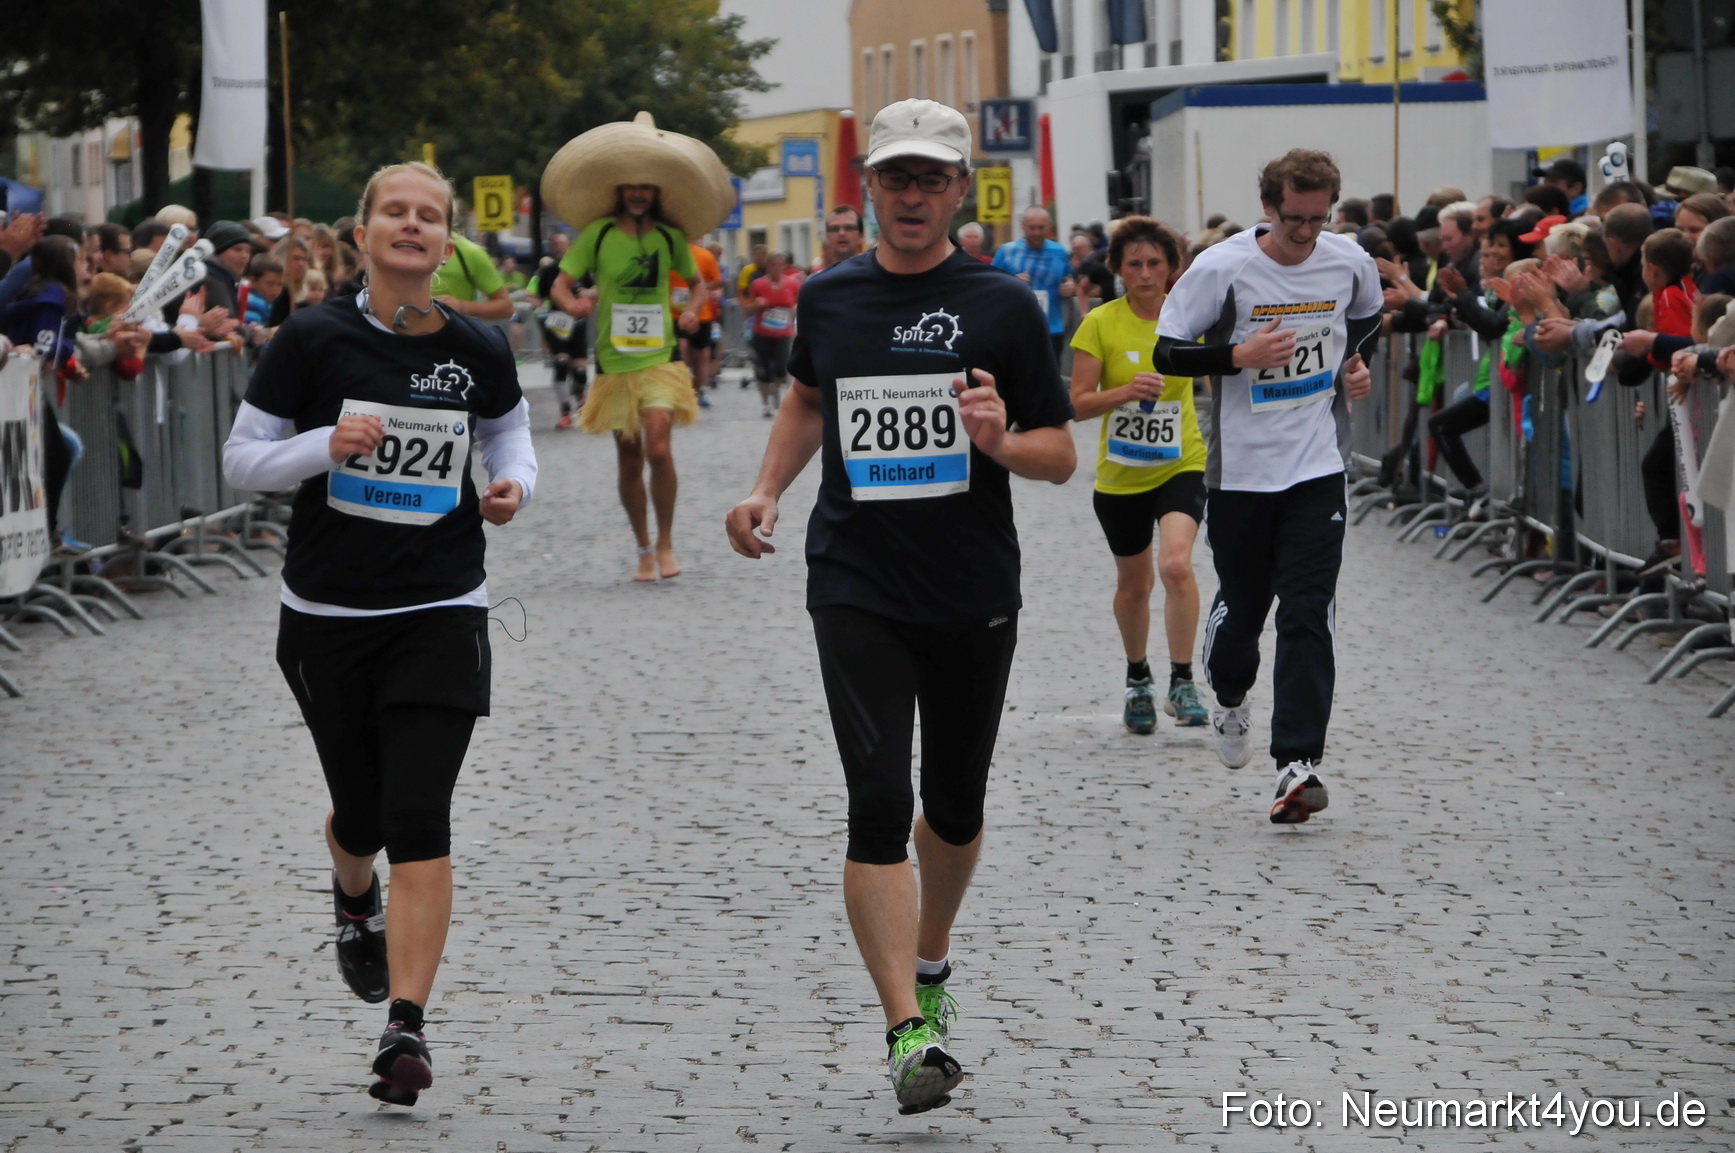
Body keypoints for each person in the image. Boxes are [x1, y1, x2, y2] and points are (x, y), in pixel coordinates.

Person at [724, 98, 1075, 1115]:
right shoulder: (829, 299)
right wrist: (764, 488)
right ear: (867, 189)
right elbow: (804, 397)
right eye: (893, 178)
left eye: (930, 179)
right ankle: (903, 1029)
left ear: (962, 189)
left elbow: (1057, 455)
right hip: (855, 580)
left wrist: (1002, 440)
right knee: (877, 799)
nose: (911, 196)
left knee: (953, 802)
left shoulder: (1003, 305)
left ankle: (931, 956)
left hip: (971, 587)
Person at [220, 161, 537, 1108]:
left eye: (428, 217)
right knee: (360, 815)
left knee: (418, 816)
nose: (412, 226)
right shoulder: (311, 338)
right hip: (327, 618)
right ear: (362, 234)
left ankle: (406, 1022)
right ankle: (350, 887)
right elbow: (242, 463)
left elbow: (508, 435)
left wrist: (516, 484)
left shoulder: (478, 346)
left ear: (447, 241)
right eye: (394, 212)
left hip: (443, 606)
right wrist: (328, 445)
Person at [1153, 148, 1380, 824]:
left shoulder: (1347, 260)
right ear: (1267, 208)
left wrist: (1351, 362)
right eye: (1292, 221)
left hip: (1315, 468)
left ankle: (1296, 763)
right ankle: (1226, 695)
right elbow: (1168, 350)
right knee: (1245, 611)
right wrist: (1234, 356)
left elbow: (1366, 316)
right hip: (1240, 476)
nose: (1305, 233)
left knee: (1308, 609)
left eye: (1317, 219)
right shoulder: (1223, 268)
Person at [543, 110, 733, 582]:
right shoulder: (598, 235)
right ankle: (644, 548)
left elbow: (698, 285)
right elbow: (560, 286)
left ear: (656, 192)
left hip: (661, 357)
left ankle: (667, 543)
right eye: (630, 185)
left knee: (660, 449)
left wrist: (690, 309)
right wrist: (572, 306)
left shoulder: (671, 237)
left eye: (645, 186)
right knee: (628, 457)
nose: (637, 193)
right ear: (619, 189)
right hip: (614, 361)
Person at [1067, 217, 1209, 733]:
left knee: (1175, 565)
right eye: (1134, 265)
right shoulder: (1100, 323)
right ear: (1118, 269)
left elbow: (1224, 376)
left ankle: (1183, 680)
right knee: (1134, 583)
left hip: (1182, 463)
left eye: (1155, 263)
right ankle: (1138, 680)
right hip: (1122, 475)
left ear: (1173, 267)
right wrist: (1124, 392)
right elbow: (1077, 404)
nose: (1146, 274)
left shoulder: (1190, 317)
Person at [992, 205, 1072, 361]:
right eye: (1032, 228)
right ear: (1023, 227)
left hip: (1052, 328)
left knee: (1050, 379)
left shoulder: (1060, 252)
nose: (1036, 233)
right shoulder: (1007, 251)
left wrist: (1070, 287)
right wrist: (1012, 282)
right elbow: (989, 285)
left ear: (1049, 227)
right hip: (1016, 328)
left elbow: (1068, 278)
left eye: (1041, 228)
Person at [745, 250, 800, 417]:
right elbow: (748, 307)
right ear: (768, 266)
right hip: (762, 332)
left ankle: (776, 390)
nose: (777, 268)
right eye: (774, 265)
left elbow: (800, 301)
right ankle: (765, 403)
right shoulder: (759, 284)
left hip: (783, 332)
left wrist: (795, 309)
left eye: (780, 265)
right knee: (762, 370)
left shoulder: (792, 283)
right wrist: (756, 304)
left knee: (782, 368)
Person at [669, 241, 724, 405]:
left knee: (702, 356)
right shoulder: (670, 253)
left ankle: (698, 391)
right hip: (675, 313)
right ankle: (681, 388)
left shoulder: (705, 256)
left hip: (702, 314)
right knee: (681, 348)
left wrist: (698, 286)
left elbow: (716, 281)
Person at [813, 205, 866, 276]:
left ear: (861, 235)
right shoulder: (816, 284)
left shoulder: (875, 279)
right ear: (827, 236)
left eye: (848, 228)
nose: (841, 233)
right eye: (835, 229)